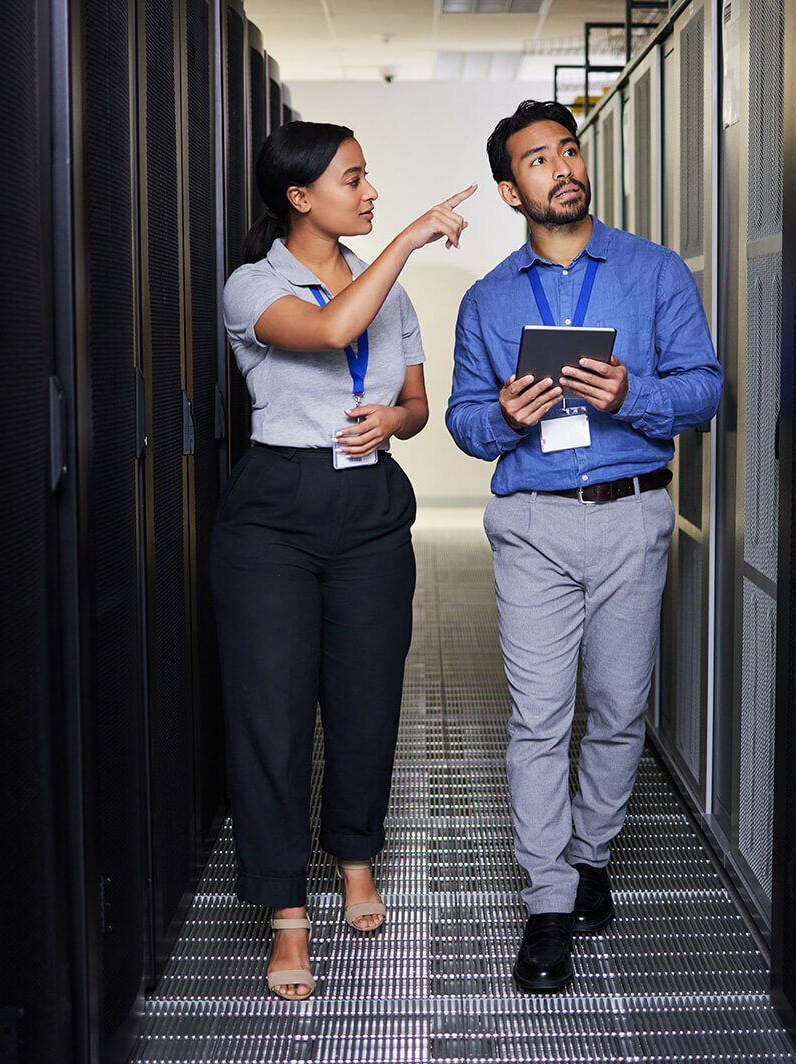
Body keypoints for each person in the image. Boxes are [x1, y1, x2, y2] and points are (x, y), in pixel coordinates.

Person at [445, 100, 723, 993]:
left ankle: (593, 848)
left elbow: (707, 390)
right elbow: (462, 420)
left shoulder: (653, 274)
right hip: (531, 524)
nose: (562, 167)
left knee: (615, 703)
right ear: (507, 188)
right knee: (539, 716)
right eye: (537, 159)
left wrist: (631, 393)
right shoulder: (488, 299)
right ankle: (550, 900)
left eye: (569, 150)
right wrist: (505, 416)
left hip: (631, 513)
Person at [212, 120, 474, 1001]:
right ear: (299, 197)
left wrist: (391, 423)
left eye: (370, 178)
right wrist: (406, 241)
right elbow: (326, 336)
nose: (370, 193)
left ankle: (355, 857)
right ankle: (286, 910)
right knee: (273, 713)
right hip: (275, 516)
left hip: (367, 505)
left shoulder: (383, 288)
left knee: (366, 699)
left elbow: (415, 401)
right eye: (353, 179)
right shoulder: (252, 286)